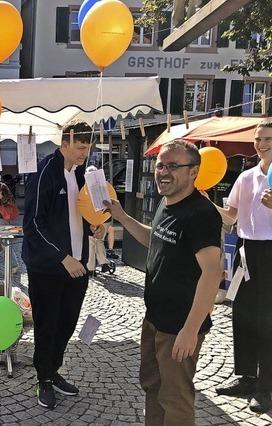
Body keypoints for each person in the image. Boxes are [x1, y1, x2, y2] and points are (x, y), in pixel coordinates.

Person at [105, 140, 223, 425]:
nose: (163, 172)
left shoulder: (200, 214)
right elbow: (154, 239)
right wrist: (122, 217)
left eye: (173, 166)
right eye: (160, 166)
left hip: (180, 326)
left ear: (193, 171)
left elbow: (212, 272)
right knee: (153, 386)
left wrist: (190, 330)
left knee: (176, 399)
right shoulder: (166, 202)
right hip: (156, 319)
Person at [22, 121, 105, 409]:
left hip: (77, 263)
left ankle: (53, 369)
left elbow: (84, 211)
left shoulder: (81, 174)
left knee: (67, 322)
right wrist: (61, 257)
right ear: (65, 143)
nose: (85, 153)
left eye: (88, 148)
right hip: (48, 266)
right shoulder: (44, 172)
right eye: (81, 147)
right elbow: (32, 224)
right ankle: (43, 378)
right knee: (47, 324)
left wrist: (97, 227)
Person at [212, 119, 272, 413]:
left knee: (268, 320)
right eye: (258, 139)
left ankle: (266, 386)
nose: (261, 144)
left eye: (268, 139)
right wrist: (204, 202)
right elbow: (230, 217)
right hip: (247, 251)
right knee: (244, 315)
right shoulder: (246, 177)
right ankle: (246, 376)